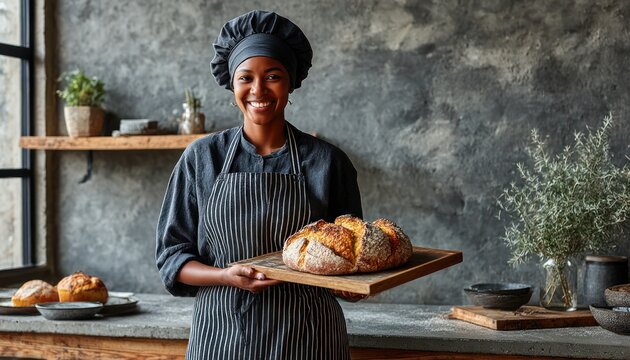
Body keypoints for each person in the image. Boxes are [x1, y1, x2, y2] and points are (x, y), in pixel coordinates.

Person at [156, 10, 363, 359]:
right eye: (245, 77)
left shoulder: (328, 162)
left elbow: (349, 261)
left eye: (273, 76)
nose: (258, 90)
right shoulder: (202, 158)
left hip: (309, 337)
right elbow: (172, 258)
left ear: (291, 82)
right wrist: (225, 276)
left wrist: (354, 286)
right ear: (232, 84)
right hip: (222, 336)